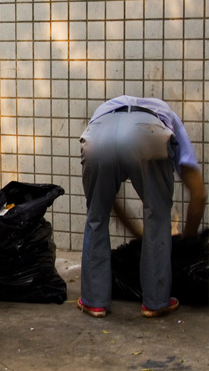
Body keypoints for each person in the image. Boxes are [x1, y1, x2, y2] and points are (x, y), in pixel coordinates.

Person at [77, 95, 206, 318]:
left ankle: (94, 301)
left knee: (96, 217)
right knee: (157, 217)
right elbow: (199, 194)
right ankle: (156, 302)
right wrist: (188, 241)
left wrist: (135, 232)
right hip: (149, 134)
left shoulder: (104, 111)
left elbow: (110, 204)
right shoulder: (169, 117)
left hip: (97, 137)